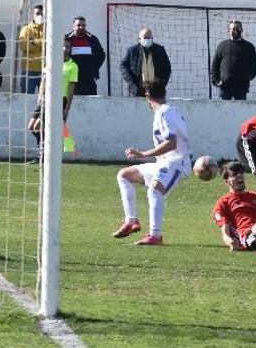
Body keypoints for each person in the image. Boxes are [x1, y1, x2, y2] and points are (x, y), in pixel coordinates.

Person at [112, 81, 192, 246]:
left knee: (154, 191)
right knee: (124, 175)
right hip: (164, 163)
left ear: (147, 96)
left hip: (176, 163)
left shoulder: (165, 112)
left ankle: (155, 236)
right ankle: (131, 221)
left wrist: (143, 154)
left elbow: (172, 143)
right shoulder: (166, 111)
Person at [27, 36, 79, 152]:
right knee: (31, 127)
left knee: (40, 127)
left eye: (68, 46)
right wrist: (40, 96)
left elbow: (71, 87)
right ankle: (48, 149)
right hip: (45, 99)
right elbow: (44, 80)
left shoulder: (73, 66)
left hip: (59, 99)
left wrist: (67, 107)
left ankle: (43, 153)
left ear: (71, 49)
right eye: (64, 46)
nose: (66, 48)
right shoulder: (51, 62)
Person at [211, 19, 256, 100]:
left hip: (241, 87)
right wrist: (216, 81)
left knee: (241, 111)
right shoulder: (222, 46)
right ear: (229, 31)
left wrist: (249, 77)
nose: (235, 31)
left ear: (242, 30)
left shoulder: (248, 47)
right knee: (224, 111)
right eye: (233, 29)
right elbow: (215, 65)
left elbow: (255, 65)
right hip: (225, 87)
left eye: (238, 29)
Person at [120, 27, 172, 97]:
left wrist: (162, 84)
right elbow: (123, 66)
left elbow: (167, 68)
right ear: (139, 39)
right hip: (137, 90)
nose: (147, 40)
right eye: (145, 38)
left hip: (156, 89)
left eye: (149, 38)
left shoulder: (160, 50)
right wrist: (132, 83)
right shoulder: (132, 51)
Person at [66, 16, 106, 96]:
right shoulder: (67, 39)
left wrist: (94, 69)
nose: (81, 27)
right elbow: (61, 55)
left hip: (88, 79)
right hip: (71, 78)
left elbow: (101, 55)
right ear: (73, 26)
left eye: (83, 25)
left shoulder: (92, 39)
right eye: (78, 25)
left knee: (91, 103)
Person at [17, 5, 45, 94]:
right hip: (29, 69)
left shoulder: (49, 30)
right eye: (37, 13)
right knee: (26, 96)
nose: (39, 16)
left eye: (42, 13)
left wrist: (33, 41)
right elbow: (24, 45)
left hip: (45, 69)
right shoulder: (26, 29)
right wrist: (41, 44)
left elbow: (50, 45)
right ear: (33, 14)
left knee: (46, 98)